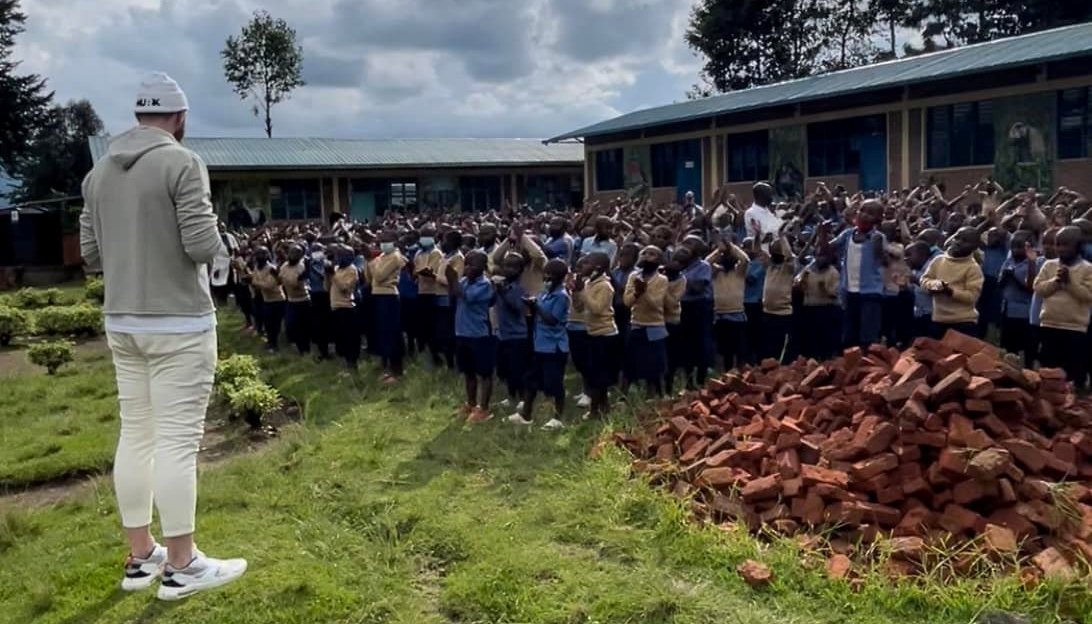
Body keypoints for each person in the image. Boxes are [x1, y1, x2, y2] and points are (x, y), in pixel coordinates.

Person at [78, 71, 246, 600]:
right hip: (178, 321)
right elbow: (200, 245)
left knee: (137, 433)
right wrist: (224, 238)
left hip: (122, 320)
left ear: (137, 118)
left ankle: (140, 555)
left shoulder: (98, 172)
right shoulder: (182, 161)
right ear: (179, 119)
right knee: (178, 441)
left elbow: (91, 255)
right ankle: (182, 564)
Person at [1033, 226, 1092, 389]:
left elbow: (1088, 295)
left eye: (1066, 245)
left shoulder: (1088, 269)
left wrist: (1070, 283)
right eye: (1058, 244)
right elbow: (1038, 288)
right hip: (1049, 325)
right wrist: (1056, 282)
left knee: (1073, 372)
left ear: (1079, 246)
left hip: (1075, 329)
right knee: (1049, 368)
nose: (1061, 249)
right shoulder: (1048, 265)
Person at [516, 259, 571, 430]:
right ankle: (525, 415)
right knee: (530, 381)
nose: (546, 279)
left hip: (554, 348)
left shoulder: (561, 296)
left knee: (554, 384)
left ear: (560, 278)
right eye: (545, 275)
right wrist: (531, 306)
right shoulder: (543, 294)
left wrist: (536, 306)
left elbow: (552, 320)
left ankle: (557, 418)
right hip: (539, 345)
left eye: (550, 276)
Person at [829, 200, 887, 348]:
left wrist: (877, 247)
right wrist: (822, 234)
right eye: (862, 210)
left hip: (870, 293)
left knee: (868, 337)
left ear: (877, 219)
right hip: (849, 292)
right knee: (849, 337)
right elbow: (827, 249)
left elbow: (883, 261)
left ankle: (869, 368)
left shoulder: (878, 237)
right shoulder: (848, 234)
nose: (864, 215)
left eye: (870, 213)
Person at [449, 251, 496, 422]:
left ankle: (484, 408)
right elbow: (454, 295)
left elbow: (466, 297)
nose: (468, 268)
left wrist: (453, 280)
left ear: (483, 267)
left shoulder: (485, 285)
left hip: (479, 334)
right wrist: (453, 281)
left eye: (473, 265)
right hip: (462, 332)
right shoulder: (463, 281)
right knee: (468, 372)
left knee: (485, 373)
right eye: (466, 264)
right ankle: (471, 403)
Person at [573, 252, 617, 418]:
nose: (583, 266)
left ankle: (594, 411)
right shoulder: (588, 283)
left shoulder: (605, 286)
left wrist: (583, 293)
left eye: (586, 263)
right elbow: (578, 307)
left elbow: (597, 309)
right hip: (592, 332)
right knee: (596, 373)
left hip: (604, 333)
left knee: (598, 375)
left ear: (597, 267)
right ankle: (604, 407)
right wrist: (576, 292)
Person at [623, 246, 670, 397]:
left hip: (655, 326)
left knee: (655, 366)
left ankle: (656, 395)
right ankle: (626, 394)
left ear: (659, 259)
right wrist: (637, 292)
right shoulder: (633, 276)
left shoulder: (662, 280)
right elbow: (627, 302)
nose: (646, 256)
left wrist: (644, 292)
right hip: (636, 324)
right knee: (631, 362)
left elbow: (656, 304)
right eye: (644, 253)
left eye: (652, 254)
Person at [921, 226, 985, 338]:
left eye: (965, 241)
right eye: (957, 238)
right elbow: (924, 280)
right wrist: (933, 286)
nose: (958, 242)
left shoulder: (973, 268)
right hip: (938, 320)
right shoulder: (939, 260)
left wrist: (950, 291)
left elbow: (972, 297)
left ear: (974, 247)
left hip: (963, 322)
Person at [495, 253, 531, 417]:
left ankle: (523, 398)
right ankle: (511, 396)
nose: (508, 269)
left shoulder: (519, 288)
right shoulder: (500, 285)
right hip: (502, 333)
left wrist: (503, 292)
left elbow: (518, 308)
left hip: (517, 335)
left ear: (520, 270)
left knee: (519, 369)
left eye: (513, 266)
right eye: (506, 266)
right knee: (506, 369)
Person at [369, 230, 408, 383]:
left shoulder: (395, 257)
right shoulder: (382, 257)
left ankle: (397, 371)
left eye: (387, 239)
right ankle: (389, 369)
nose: (383, 242)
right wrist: (374, 264)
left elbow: (379, 275)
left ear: (395, 241)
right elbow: (372, 276)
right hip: (378, 294)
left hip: (389, 295)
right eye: (382, 239)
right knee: (384, 332)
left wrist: (371, 262)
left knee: (392, 332)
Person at [708, 238, 749, 371]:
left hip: (737, 314)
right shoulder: (715, 272)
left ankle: (740, 374)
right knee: (725, 351)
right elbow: (706, 262)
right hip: (720, 315)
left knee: (740, 350)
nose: (728, 258)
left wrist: (731, 246)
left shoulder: (739, 272)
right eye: (725, 256)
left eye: (730, 256)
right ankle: (726, 375)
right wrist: (719, 251)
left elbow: (745, 260)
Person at [998, 230, 1035, 367]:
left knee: (1027, 345)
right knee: (1009, 345)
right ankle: (1010, 369)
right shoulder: (1008, 261)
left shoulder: (1032, 264)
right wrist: (1005, 277)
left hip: (1024, 312)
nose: (1015, 250)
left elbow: (1031, 288)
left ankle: (1028, 370)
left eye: (1019, 247)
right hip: (1008, 309)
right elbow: (999, 284)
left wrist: (1014, 277)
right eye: (1013, 246)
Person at [795, 249, 840, 360]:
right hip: (810, 309)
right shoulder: (808, 270)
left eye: (823, 256)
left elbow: (836, 294)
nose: (821, 259)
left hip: (826, 309)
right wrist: (801, 283)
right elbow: (797, 284)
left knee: (826, 339)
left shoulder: (833, 272)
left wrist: (825, 290)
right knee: (810, 339)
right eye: (818, 256)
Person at [761, 236, 795, 362]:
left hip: (783, 314)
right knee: (768, 347)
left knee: (782, 348)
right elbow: (757, 251)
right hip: (768, 312)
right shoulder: (769, 266)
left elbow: (790, 257)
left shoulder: (788, 268)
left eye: (776, 250)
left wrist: (782, 238)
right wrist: (758, 236)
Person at [433, 231, 464, 369]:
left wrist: (437, 278)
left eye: (445, 240)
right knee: (442, 333)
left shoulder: (458, 258)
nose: (442, 243)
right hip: (439, 297)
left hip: (449, 299)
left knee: (450, 332)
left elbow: (454, 281)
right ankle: (448, 361)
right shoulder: (445, 256)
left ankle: (455, 363)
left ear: (452, 242)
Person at [414, 226, 443, 366]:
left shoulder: (436, 253)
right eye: (422, 234)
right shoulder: (419, 253)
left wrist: (422, 272)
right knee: (423, 325)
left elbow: (431, 271)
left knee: (433, 325)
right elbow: (416, 270)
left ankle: (436, 355)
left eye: (427, 235)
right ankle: (427, 353)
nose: (424, 237)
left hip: (433, 292)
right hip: (421, 291)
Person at [330, 244, 362, 369]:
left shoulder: (352, 270)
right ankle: (344, 360)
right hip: (335, 306)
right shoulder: (337, 269)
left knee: (350, 337)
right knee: (339, 336)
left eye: (341, 255)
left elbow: (345, 288)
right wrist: (329, 275)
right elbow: (328, 287)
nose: (338, 258)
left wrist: (334, 276)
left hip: (347, 307)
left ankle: (352, 361)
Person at [249, 247, 285, 352]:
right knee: (268, 324)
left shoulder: (272, 269)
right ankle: (270, 343)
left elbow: (268, 285)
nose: (259, 257)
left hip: (277, 300)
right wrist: (256, 283)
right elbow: (255, 281)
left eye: (261, 255)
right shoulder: (256, 267)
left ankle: (274, 344)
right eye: (257, 255)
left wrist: (255, 283)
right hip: (266, 300)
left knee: (275, 324)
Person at [279, 243, 312, 356]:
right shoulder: (284, 266)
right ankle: (298, 346)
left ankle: (305, 349)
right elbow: (282, 279)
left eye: (296, 254)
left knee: (304, 326)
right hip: (291, 300)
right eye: (291, 253)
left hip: (303, 300)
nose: (293, 256)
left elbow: (294, 283)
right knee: (291, 324)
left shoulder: (302, 267)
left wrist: (292, 280)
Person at [307, 243, 332, 360]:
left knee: (326, 323)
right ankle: (322, 351)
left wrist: (313, 268)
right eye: (314, 250)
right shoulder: (309, 263)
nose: (316, 252)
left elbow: (324, 276)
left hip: (326, 295)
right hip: (314, 295)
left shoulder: (327, 263)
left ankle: (329, 350)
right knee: (317, 324)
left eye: (318, 249)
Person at [744, 182, 781, 249]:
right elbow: (765, 234)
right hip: (761, 248)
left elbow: (778, 228)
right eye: (769, 195)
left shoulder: (768, 210)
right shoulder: (751, 213)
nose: (771, 198)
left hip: (774, 246)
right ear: (760, 196)